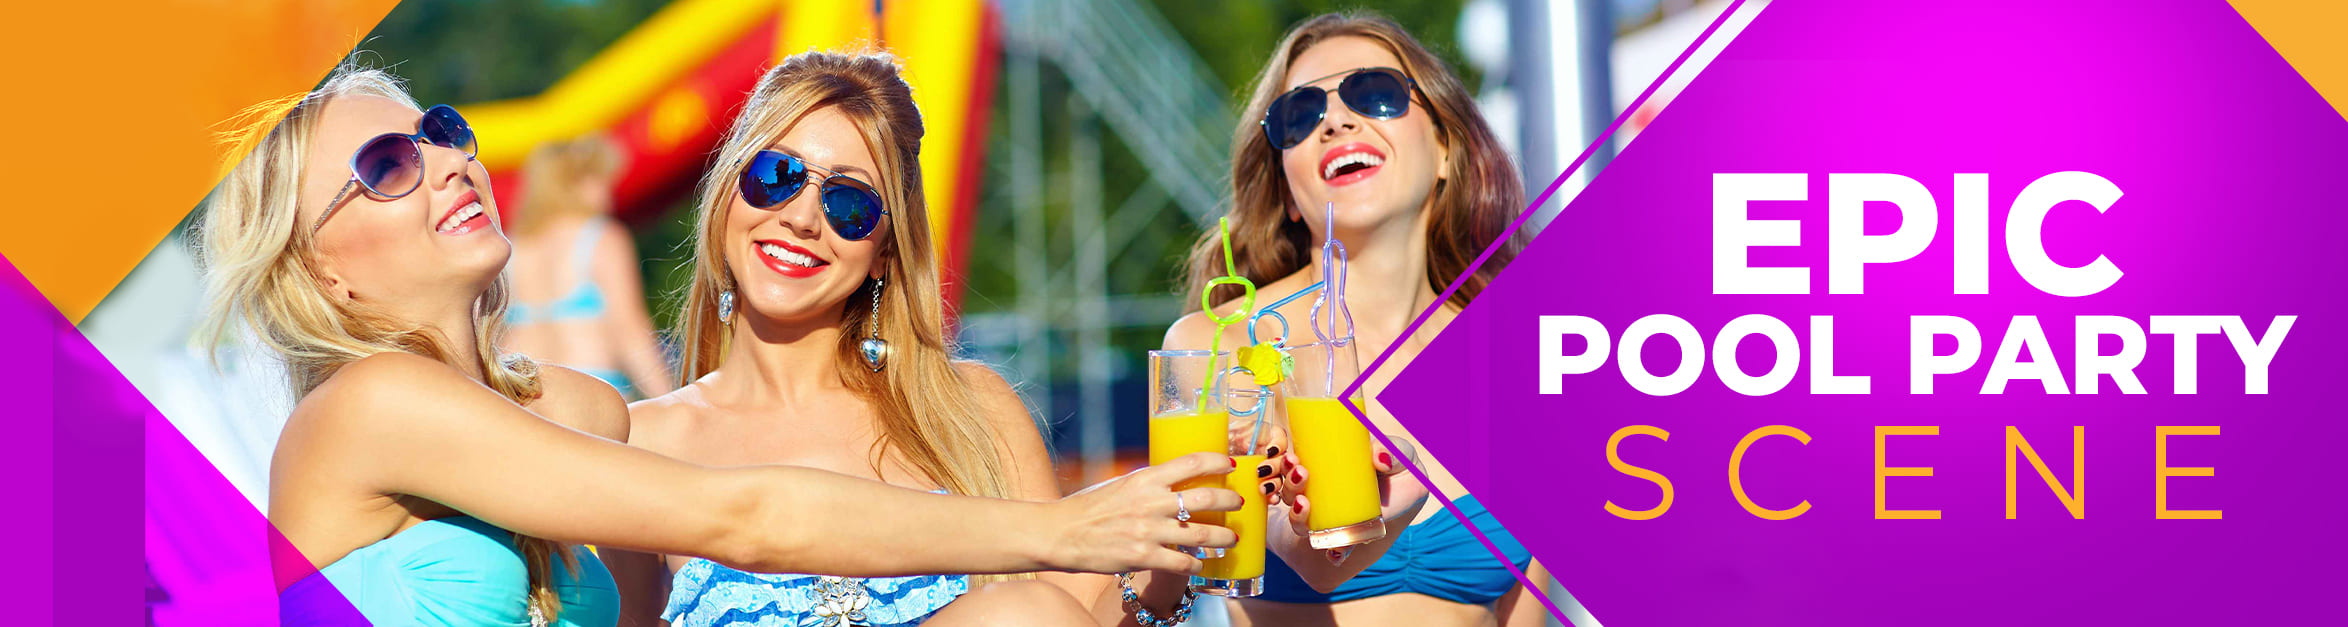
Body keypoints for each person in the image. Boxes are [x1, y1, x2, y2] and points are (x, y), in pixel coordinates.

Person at [194, 63, 1240, 627]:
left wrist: (1175, 564)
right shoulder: (370, 404)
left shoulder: (578, 413)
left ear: (889, 246)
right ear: (321, 267)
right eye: (385, 164)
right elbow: (742, 514)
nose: (441, 160)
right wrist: (1059, 530)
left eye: (438, 130)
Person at [613, 50, 1178, 627]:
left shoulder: (969, 412)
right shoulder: (640, 442)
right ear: (728, 192)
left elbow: (1083, 614)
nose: (804, 218)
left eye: (849, 204)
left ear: (885, 251)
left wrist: (1173, 553)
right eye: (774, 176)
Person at [1164, 11, 1549, 627]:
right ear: (1287, 192)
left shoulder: (1518, 351)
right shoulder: (1221, 343)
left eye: (1377, 94)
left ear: (1447, 148)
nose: (1337, 120)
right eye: (1300, 115)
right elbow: (1313, 555)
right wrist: (1396, 497)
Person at [503, 135, 674, 399]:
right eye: (600, 180)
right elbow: (630, 332)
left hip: (525, 400)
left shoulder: (510, 247)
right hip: (593, 392)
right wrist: (669, 400)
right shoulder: (602, 238)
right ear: (574, 182)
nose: (609, 191)